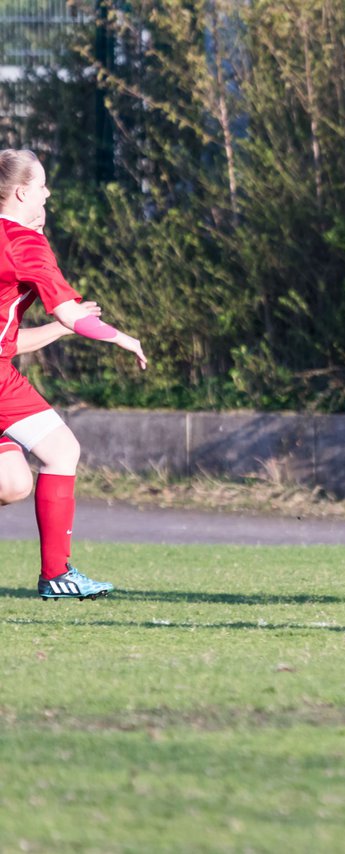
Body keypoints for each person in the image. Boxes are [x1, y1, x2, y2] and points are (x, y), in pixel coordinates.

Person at [0, 148, 148, 600]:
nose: (47, 193)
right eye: (42, 185)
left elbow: (10, 341)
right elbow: (69, 312)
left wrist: (60, 328)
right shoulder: (24, 243)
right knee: (62, 449)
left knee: (13, 483)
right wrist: (120, 337)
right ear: (23, 191)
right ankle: (56, 575)